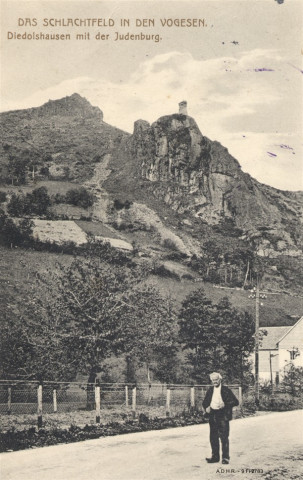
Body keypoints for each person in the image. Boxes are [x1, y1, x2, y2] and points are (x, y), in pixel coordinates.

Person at [202, 372, 239, 465]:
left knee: (224, 437)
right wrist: (207, 407)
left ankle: (225, 458)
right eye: (213, 380)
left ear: (220, 379)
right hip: (213, 415)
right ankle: (215, 457)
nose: (215, 382)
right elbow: (205, 402)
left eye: (216, 380)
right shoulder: (210, 390)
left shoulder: (226, 390)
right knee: (213, 437)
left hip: (223, 415)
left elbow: (235, 401)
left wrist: (226, 404)